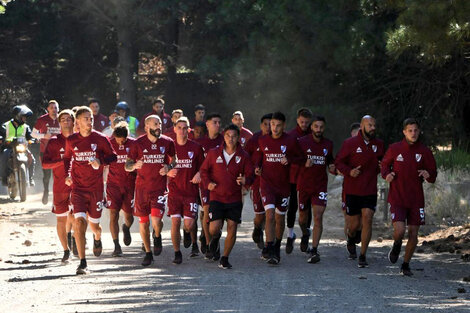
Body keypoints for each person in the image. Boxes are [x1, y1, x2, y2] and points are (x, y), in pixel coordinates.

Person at [64, 106, 117, 275]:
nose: (89, 121)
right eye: (86, 118)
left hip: (95, 189)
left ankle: (97, 238)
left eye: (91, 118)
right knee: (79, 223)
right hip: (78, 189)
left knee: (95, 226)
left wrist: (100, 161)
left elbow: (113, 157)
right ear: (77, 121)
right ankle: (82, 262)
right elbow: (66, 158)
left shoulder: (101, 138)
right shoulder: (71, 140)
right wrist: (67, 175)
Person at [382, 118, 437, 276]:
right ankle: (397, 243)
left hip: (416, 199)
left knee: (414, 233)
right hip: (398, 197)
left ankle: (405, 264)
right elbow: (384, 165)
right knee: (399, 230)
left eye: (415, 130)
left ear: (419, 132)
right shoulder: (395, 148)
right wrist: (387, 174)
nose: (413, 133)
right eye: (410, 130)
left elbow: (433, 173)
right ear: (404, 132)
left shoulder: (424, 151)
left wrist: (428, 174)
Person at [200, 124, 254, 268]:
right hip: (217, 197)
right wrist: (208, 183)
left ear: (238, 138)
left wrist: (245, 181)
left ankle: (224, 258)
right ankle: (216, 238)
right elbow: (203, 171)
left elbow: (251, 175)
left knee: (232, 227)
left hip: (234, 198)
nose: (231, 139)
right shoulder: (213, 153)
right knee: (214, 228)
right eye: (228, 136)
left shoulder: (244, 156)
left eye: (234, 136)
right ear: (224, 137)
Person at [125, 115, 176, 267]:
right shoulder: (138, 143)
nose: (158, 126)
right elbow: (127, 165)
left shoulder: (167, 142)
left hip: (159, 188)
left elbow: (175, 160)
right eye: (155, 124)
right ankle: (148, 253)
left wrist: (169, 167)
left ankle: (158, 235)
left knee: (156, 221)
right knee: (144, 222)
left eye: (159, 123)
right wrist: (134, 166)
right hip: (141, 189)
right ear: (147, 127)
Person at [254, 111, 304, 265]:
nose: (274, 128)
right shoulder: (263, 140)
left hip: (283, 186)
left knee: (279, 218)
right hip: (267, 184)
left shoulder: (290, 141)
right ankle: (269, 247)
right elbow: (259, 158)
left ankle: (277, 245)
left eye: (278, 125)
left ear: (284, 126)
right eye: (272, 125)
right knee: (269, 215)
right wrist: (257, 167)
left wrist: (290, 159)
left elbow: (302, 158)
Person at [335, 115, 384, 268]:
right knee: (353, 225)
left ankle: (362, 255)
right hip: (352, 190)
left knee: (368, 218)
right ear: (362, 126)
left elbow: (384, 162)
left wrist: (384, 167)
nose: (373, 128)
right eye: (370, 125)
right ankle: (351, 238)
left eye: (374, 125)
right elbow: (339, 162)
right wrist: (349, 172)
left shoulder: (379, 144)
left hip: (369, 189)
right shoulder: (350, 143)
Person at [163, 116, 204, 264]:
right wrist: (167, 171)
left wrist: (199, 174)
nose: (182, 130)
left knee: (189, 224)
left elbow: (204, 167)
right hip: (174, 192)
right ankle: (177, 252)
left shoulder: (196, 148)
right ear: (174, 129)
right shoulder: (169, 147)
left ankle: (187, 233)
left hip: (190, 192)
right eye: (179, 127)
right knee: (175, 222)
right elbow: (159, 166)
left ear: (189, 130)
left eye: (185, 128)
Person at [297, 116, 335, 263]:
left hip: (320, 185)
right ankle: (305, 233)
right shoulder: (302, 142)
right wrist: (304, 162)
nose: (318, 130)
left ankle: (314, 250)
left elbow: (330, 159)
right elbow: (294, 158)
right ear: (311, 127)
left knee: (318, 216)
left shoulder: (328, 144)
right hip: (304, 185)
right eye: (316, 127)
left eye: (321, 127)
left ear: (324, 128)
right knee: (302, 217)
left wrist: (332, 165)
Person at [41, 109, 75, 263]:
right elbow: (45, 164)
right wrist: (62, 162)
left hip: (79, 186)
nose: (66, 122)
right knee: (61, 220)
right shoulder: (54, 141)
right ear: (59, 123)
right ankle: (66, 250)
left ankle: (75, 237)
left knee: (77, 217)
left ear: (74, 122)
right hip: (60, 187)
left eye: (69, 119)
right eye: (63, 120)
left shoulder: (81, 139)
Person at [194, 113, 224, 256]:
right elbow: (196, 164)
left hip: (222, 182)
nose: (217, 125)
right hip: (205, 183)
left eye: (219, 122)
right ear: (207, 124)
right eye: (215, 122)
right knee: (206, 211)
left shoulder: (225, 140)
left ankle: (215, 239)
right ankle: (208, 243)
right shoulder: (200, 143)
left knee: (218, 214)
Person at [105, 121, 136, 257]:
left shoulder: (134, 144)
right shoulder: (109, 144)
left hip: (130, 185)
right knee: (113, 214)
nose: (121, 144)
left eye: (123, 141)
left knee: (129, 216)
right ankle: (116, 245)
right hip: (113, 186)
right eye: (118, 141)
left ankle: (126, 227)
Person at [285, 108, 313, 254]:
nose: (304, 124)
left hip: (308, 179)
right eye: (302, 122)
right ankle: (290, 235)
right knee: (292, 206)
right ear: (297, 120)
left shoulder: (313, 135)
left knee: (307, 209)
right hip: (293, 177)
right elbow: (287, 156)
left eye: (307, 122)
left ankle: (305, 237)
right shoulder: (290, 135)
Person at [244, 113, 272, 253]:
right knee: (260, 215)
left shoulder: (279, 139)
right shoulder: (254, 139)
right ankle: (257, 228)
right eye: (265, 124)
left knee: (270, 214)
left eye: (270, 124)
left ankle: (269, 246)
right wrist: (251, 171)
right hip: (257, 183)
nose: (268, 127)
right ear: (261, 125)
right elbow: (245, 158)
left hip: (273, 183)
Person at [32, 100, 61, 204]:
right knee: (47, 175)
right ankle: (46, 191)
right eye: (52, 108)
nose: (54, 110)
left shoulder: (62, 119)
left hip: (59, 152)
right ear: (48, 109)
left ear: (58, 109)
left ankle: (57, 195)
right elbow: (33, 134)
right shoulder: (42, 120)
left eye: (56, 108)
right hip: (45, 150)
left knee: (59, 175)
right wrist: (44, 136)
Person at [1, 105, 36, 188]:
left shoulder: (26, 127)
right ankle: (4, 178)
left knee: (32, 159)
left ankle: (30, 178)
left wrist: (32, 140)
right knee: (3, 157)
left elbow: (30, 137)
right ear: (18, 116)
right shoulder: (5, 125)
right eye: (23, 117)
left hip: (22, 147)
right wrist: (2, 139)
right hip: (9, 147)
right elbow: (1, 135)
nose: (25, 119)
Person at [341, 122, 361, 239]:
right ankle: (350, 242)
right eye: (357, 133)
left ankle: (357, 236)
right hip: (348, 189)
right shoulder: (347, 146)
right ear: (352, 133)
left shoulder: (369, 147)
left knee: (362, 219)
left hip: (365, 189)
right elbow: (338, 164)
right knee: (349, 220)